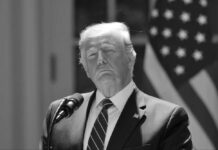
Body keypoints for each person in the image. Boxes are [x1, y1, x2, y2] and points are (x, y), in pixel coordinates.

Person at [40, 22, 193, 150]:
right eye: (92, 55)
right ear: (86, 68)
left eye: (109, 51)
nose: (101, 60)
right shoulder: (61, 114)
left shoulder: (168, 118)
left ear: (130, 58)